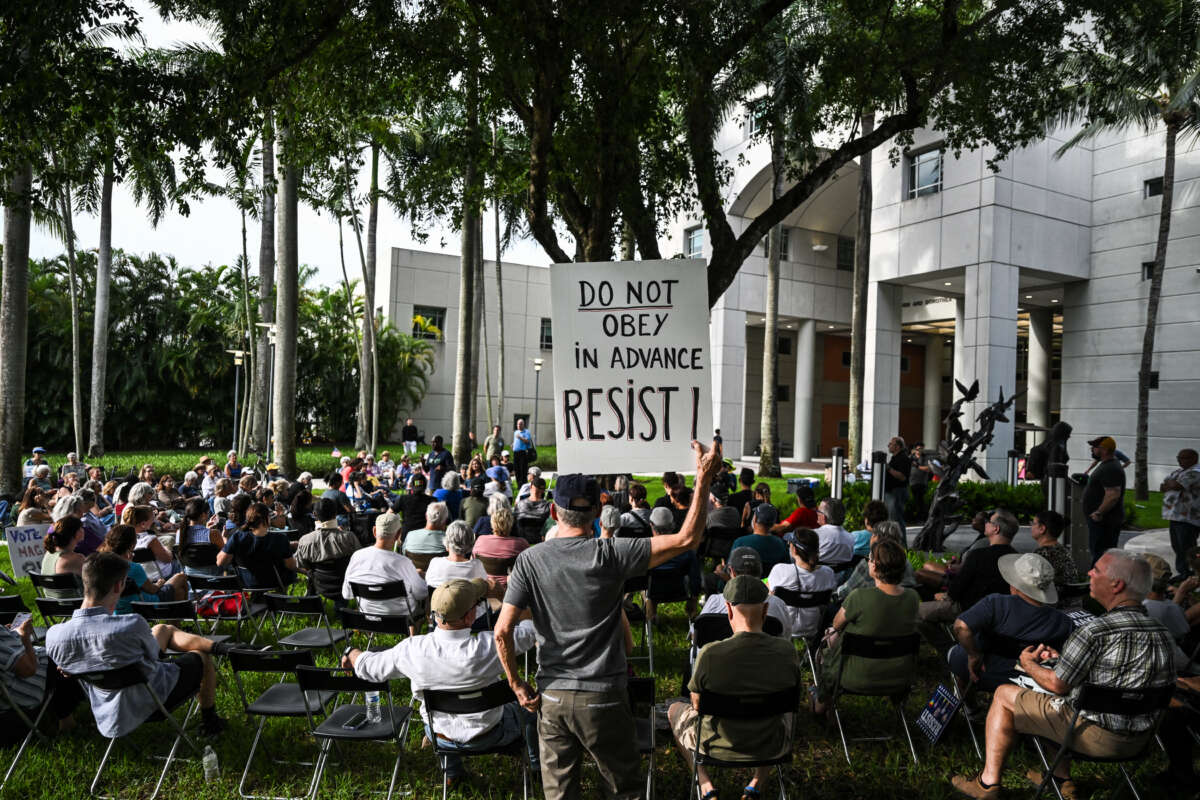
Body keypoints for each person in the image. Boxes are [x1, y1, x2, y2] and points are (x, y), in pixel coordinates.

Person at [493, 440, 723, 800]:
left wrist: (516, 683)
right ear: (596, 516)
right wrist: (703, 476)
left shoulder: (530, 560)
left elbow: (502, 631)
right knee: (623, 791)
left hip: (552, 696)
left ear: (554, 512)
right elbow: (688, 538)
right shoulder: (613, 554)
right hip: (605, 696)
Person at [949, 549, 1176, 799]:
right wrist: (1057, 659)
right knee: (1053, 698)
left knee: (1006, 694)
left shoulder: (1094, 632)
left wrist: (1028, 664)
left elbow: (1058, 685)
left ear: (1117, 584)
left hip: (1091, 736)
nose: (1089, 572)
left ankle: (987, 784)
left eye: (1097, 569)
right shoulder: (1163, 633)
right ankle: (1060, 778)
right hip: (1141, 740)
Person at [344, 578, 540, 787]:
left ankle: (452, 772)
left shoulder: (412, 649)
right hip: (492, 733)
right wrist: (510, 601)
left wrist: (351, 653)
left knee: (441, 717)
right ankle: (536, 766)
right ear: (470, 615)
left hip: (441, 737)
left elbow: (370, 668)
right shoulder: (491, 646)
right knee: (531, 709)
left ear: (433, 613)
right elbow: (530, 629)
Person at [46, 551, 229, 739]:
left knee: (161, 630)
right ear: (119, 585)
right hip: (152, 700)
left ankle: (216, 647)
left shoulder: (54, 636)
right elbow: (154, 655)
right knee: (201, 657)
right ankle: (210, 722)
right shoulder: (131, 625)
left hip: (103, 703)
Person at [668, 575, 801, 800]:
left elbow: (697, 703)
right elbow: (793, 698)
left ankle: (705, 784)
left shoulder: (710, 653)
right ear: (766, 610)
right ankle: (756, 784)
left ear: (728, 610)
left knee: (673, 711)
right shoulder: (787, 651)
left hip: (714, 744)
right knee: (785, 713)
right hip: (770, 744)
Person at [813, 539, 920, 711]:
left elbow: (836, 623)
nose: (868, 562)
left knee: (830, 636)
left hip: (855, 676)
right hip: (899, 676)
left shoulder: (859, 597)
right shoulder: (913, 598)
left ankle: (822, 701)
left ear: (875, 566)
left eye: (869, 559)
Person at [949, 553, 1073, 692]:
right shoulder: (1063, 622)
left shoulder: (996, 604)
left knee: (956, 654)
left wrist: (974, 655)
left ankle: (970, 707)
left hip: (985, 669)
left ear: (1015, 584)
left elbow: (961, 626)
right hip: (1028, 682)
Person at [919, 509, 1018, 623]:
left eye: (989, 521)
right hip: (1003, 613)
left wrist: (943, 596)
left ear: (996, 529)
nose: (985, 523)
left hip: (969, 610)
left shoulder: (978, 555)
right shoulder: (1018, 558)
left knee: (916, 612)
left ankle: (945, 640)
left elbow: (955, 592)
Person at [0, 615, 84, 744]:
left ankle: (61, 717)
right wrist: (24, 638)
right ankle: (67, 722)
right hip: (15, 705)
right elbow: (28, 670)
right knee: (59, 659)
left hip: (6, 695)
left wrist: (8, 635)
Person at [341, 511, 427, 624]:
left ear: (374, 531)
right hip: (401, 620)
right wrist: (418, 576)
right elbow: (422, 593)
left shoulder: (357, 556)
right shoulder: (403, 562)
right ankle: (412, 637)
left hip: (368, 616)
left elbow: (347, 594)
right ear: (398, 534)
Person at [767, 529, 837, 638]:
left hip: (782, 629)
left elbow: (769, 593)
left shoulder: (780, 570)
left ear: (794, 550)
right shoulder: (828, 573)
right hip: (813, 629)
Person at [704, 546, 790, 629]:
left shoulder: (715, 602)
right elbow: (786, 635)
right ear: (760, 572)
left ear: (732, 571)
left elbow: (697, 633)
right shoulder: (778, 604)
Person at [217, 502, 297, 589]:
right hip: (275, 585)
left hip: (246, 585)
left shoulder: (238, 537)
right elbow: (291, 566)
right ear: (266, 519)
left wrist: (226, 542)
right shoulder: (280, 539)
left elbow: (220, 562)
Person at [834, 520, 919, 601]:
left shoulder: (871, 563)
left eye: (873, 535)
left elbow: (845, 591)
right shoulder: (905, 561)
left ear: (877, 538)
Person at [294, 497, 360, 597]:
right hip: (346, 584)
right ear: (335, 514)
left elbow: (301, 564)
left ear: (314, 514)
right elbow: (359, 562)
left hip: (319, 585)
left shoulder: (305, 540)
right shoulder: (349, 537)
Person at [646, 507, 701, 621]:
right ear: (673, 525)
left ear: (651, 525)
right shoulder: (686, 550)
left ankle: (651, 616)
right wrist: (694, 598)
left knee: (648, 585)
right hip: (681, 591)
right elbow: (695, 578)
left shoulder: (646, 550)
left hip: (653, 592)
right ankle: (691, 614)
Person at [1082, 435, 1125, 566]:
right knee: (1099, 551)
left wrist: (1099, 512)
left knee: (1102, 554)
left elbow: (1113, 494)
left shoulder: (1111, 468)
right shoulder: (1108, 465)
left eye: (1094, 447)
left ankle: (1097, 582)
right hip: (1102, 520)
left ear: (1104, 450)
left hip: (1104, 520)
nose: (1092, 450)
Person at [1161, 447, 1200, 576]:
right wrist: (1171, 484)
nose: (1179, 461)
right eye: (1178, 458)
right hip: (1175, 515)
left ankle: (1190, 573)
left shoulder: (1195, 472)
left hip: (1188, 517)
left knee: (1187, 547)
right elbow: (1164, 485)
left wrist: (1172, 483)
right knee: (1177, 546)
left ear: (1194, 458)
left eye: (1183, 458)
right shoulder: (1179, 472)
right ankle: (1182, 573)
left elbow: (1177, 485)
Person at [728, 503, 790, 576]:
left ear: (754, 519)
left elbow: (730, 569)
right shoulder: (781, 544)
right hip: (773, 584)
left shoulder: (740, 542)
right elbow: (787, 568)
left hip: (747, 583)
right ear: (773, 523)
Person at [427, 521, 491, 590]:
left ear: (447, 541)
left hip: (438, 600)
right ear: (470, 542)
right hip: (469, 600)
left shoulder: (435, 563)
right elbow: (484, 589)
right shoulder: (477, 566)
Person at [473, 505, 528, 583]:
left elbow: (474, 562)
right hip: (511, 588)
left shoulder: (480, 540)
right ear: (511, 523)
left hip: (485, 586)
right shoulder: (521, 544)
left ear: (492, 523)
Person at [1030, 509, 1079, 590]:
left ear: (1042, 528)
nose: (1031, 526)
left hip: (1053, 601)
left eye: (1034, 523)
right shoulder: (1064, 551)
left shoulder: (1041, 554)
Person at [40, 517, 86, 598]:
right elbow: (94, 582)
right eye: (81, 527)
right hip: (76, 606)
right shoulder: (76, 559)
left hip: (51, 606)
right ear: (76, 533)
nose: (83, 530)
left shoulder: (49, 554)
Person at [814, 497, 855, 567]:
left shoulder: (813, 535)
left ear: (823, 517)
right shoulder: (851, 538)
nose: (816, 512)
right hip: (843, 577)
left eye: (818, 511)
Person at [885, 436, 912, 523]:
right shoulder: (895, 458)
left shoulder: (903, 458)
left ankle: (898, 536)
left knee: (895, 519)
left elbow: (902, 477)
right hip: (893, 491)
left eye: (890, 444)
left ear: (897, 446)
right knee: (894, 518)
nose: (888, 445)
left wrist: (888, 468)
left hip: (897, 492)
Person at [511, 419, 534, 489]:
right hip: (515, 453)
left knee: (523, 470)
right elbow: (516, 440)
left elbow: (527, 441)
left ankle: (523, 485)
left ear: (523, 425)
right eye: (518, 424)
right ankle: (519, 485)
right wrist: (513, 445)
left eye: (520, 424)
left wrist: (520, 437)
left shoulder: (526, 432)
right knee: (517, 470)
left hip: (523, 453)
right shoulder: (516, 432)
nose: (519, 425)